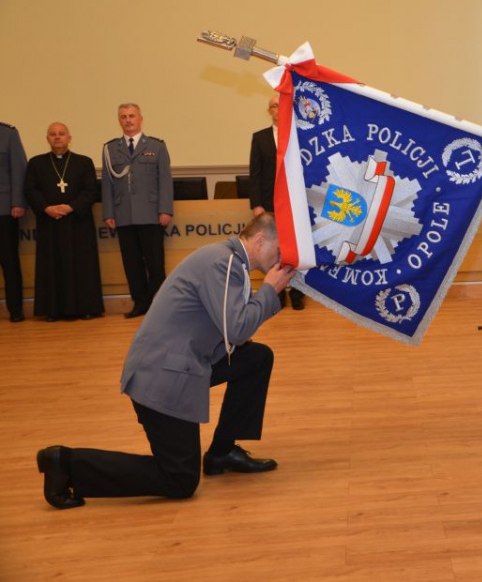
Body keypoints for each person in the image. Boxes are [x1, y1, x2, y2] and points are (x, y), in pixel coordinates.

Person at [36, 212, 295, 509]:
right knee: (180, 479)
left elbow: (231, 329)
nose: (280, 258)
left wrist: (259, 304)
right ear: (260, 239)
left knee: (257, 358)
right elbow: (237, 328)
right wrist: (269, 290)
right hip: (162, 376)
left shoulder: (228, 260)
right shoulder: (224, 264)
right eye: (278, 249)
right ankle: (66, 464)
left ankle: (222, 452)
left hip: (180, 363)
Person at [25, 123, 104, 321]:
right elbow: (30, 190)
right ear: (47, 139)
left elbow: (91, 191)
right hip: (50, 223)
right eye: (53, 134)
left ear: (69, 138)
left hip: (78, 222)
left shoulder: (84, 162)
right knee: (52, 263)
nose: (57, 137)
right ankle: (53, 310)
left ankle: (86, 307)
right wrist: (46, 208)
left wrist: (71, 207)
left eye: (61, 134)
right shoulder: (35, 164)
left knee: (82, 264)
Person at [101, 103, 173, 318]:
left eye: (132, 116)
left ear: (140, 118)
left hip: (151, 214)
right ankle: (140, 304)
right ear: (119, 121)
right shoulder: (110, 149)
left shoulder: (156, 146)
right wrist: (109, 213)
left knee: (155, 264)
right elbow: (107, 183)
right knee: (132, 265)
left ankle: (157, 306)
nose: (128, 120)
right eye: (123, 117)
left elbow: (165, 181)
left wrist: (165, 209)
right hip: (124, 215)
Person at [249, 94, 304, 310]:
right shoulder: (259, 137)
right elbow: (255, 173)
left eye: (281, 106)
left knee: (297, 249)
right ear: (269, 111)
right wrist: (256, 204)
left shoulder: (299, 135)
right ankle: (277, 294)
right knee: (274, 249)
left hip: (296, 202)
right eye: (274, 106)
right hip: (269, 203)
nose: (277, 109)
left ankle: (299, 293)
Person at [0, 121, 27, 322]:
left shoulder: (8, 133)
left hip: (4, 209)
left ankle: (15, 310)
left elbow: (19, 169)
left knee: (9, 261)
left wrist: (18, 201)